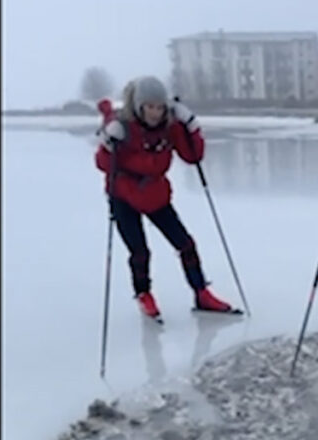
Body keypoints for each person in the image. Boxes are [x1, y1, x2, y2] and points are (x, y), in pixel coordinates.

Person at [95, 76, 236, 320]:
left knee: (185, 244)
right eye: (150, 107)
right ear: (139, 106)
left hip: (156, 194)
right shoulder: (123, 127)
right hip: (123, 196)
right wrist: (108, 143)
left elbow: (192, 156)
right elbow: (103, 164)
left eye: (160, 107)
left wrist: (191, 125)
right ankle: (144, 294)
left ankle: (201, 292)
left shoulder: (171, 126)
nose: (155, 113)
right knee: (139, 252)